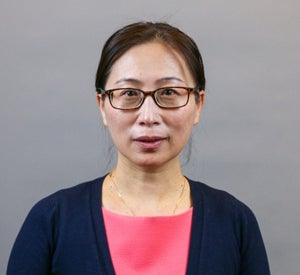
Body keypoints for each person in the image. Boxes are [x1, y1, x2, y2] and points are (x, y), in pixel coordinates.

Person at [7, 22, 270, 275]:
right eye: (129, 93)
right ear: (102, 105)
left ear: (198, 104)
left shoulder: (234, 222)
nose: (148, 116)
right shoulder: (52, 220)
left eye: (168, 92)